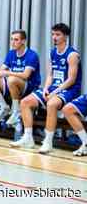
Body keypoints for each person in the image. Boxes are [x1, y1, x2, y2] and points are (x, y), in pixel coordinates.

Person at [13, 23, 81, 153]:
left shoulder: (72, 55)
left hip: (69, 90)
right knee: (25, 102)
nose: (54, 37)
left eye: (57, 34)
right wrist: (45, 88)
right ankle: (28, 137)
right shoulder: (52, 53)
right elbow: (50, 75)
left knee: (51, 104)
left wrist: (54, 92)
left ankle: (48, 142)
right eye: (53, 34)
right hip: (54, 87)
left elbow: (71, 80)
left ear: (65, 36)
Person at [0, 30, 40, 125]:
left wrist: (6, 73)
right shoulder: (11, 53)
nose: (13, 42)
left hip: (29, 87)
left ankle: (16, 111)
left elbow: (26, 75)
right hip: (13, 84)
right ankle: (4, 107)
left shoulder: (32, 55)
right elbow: (2, 70)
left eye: (16, 40)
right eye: (12, 39)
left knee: (11, 79)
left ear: (23, 41)